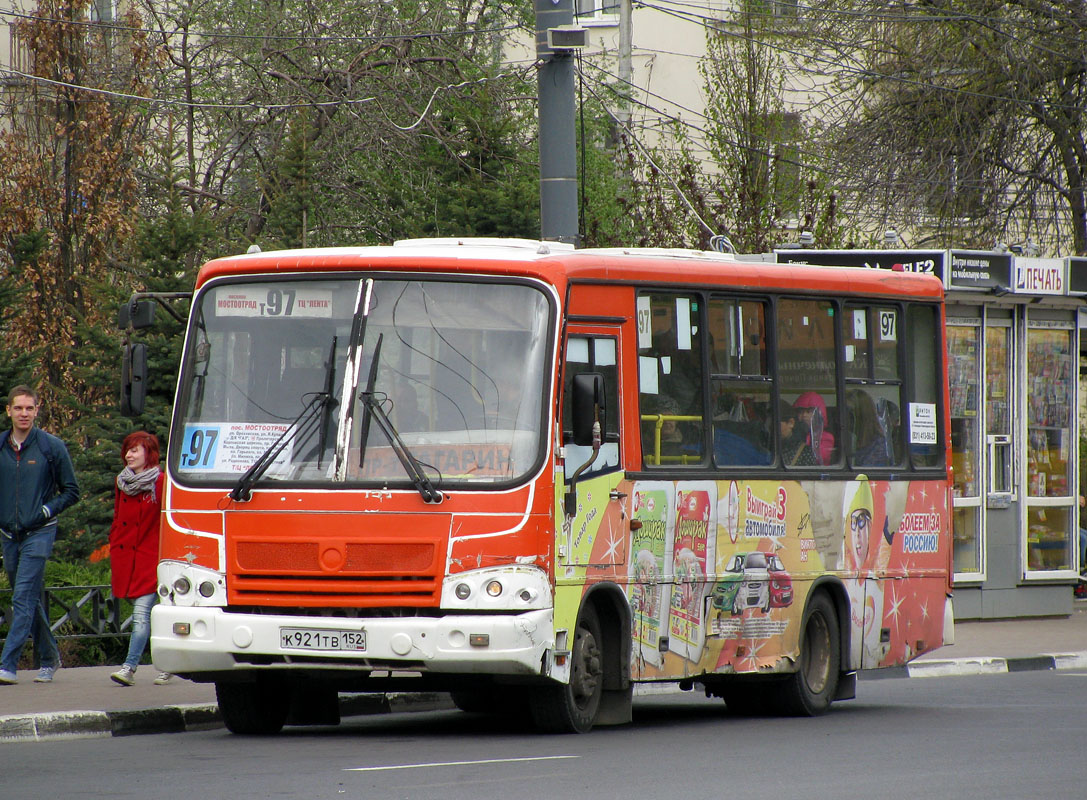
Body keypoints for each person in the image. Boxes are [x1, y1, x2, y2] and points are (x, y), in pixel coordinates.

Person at [0, 385, 80, 685]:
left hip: (40, 533)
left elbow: (72, 492)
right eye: (18, 408)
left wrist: (46, 511)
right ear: (8, 410)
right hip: (9, 535)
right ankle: (50, 658)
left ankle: (7, 665)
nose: (24, 413)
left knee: (22, 597)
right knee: (28, 598)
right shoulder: (1, 447)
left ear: (37, 410)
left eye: (29, 408)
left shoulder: (51, 447)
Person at [109, 431, 172, 686]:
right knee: (152, 615)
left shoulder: (161, 482)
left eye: (135, 450)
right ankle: (168, 666)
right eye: (127, 449)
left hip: (152, 557)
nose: (128, 455)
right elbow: (117, 516)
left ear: (149, 454)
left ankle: (129, 667)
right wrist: (114, 539)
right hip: (127, 556)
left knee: (142, 613)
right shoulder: (122, 482)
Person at [793, 391, 837, 465]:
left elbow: (818, 458)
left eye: (808, 411)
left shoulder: (826, 437)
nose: (804, 415)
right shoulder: (793, 435)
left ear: (819, 414)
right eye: (800, 412)